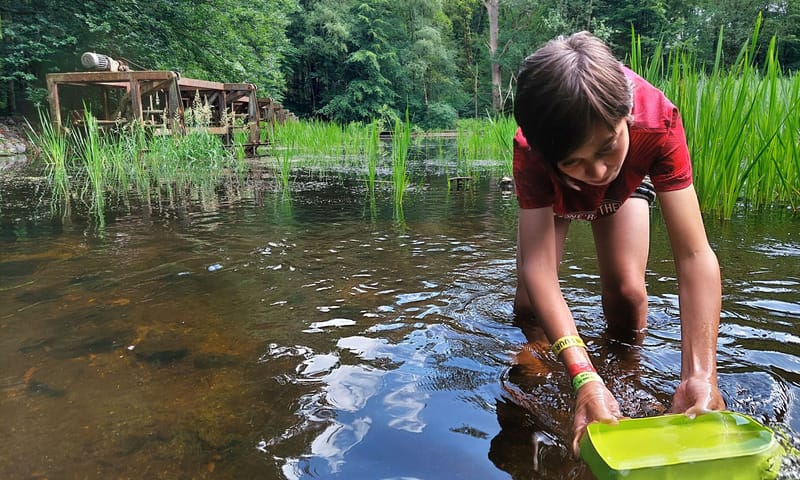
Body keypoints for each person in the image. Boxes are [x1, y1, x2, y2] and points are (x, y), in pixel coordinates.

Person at [511, 31, 726, 456]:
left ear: (626, 114)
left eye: (606, 147)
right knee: (528, 303)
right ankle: (549, 359)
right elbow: (538, 268)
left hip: (628, 184)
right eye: (577, 160)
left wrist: (700, 373)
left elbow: (694, 254)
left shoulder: (657, 121)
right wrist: (582, 376)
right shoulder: (533, 150)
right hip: (558, 189)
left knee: (627, 292)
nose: (597, 171)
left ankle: (626, 373)